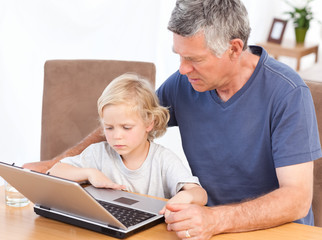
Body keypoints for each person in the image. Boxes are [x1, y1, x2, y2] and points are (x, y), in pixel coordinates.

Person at [24, 0, 322, 239]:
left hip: (274, 231)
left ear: (233, 48)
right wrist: (51, 166)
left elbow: (297, 198)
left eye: (194, 59)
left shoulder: (287, 93)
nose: (182, 70)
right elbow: (129, 122)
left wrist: (216, 219)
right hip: (199, 225)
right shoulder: (186, 84)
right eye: (179, 56)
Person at [46, 73, 207, 215]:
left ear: (149, 123)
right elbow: (54, 171)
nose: (117, 136)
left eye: (126, 127)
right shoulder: (98, 153)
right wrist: (89, 173)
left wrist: (187, 195)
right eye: (109, 127)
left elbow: (200, 194)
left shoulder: (163, 160)